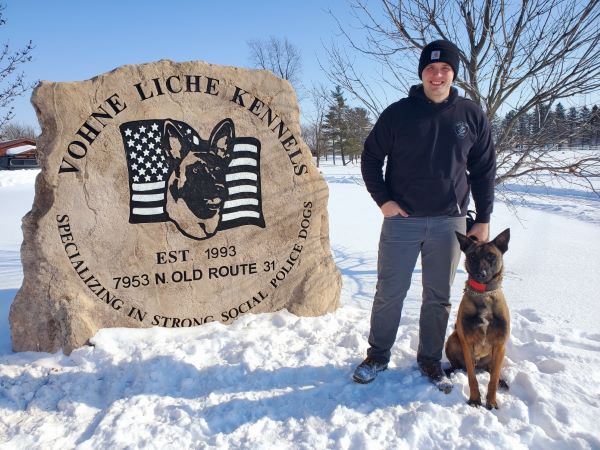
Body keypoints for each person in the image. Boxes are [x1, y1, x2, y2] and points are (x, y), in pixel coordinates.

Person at [353, 39, 496, 384]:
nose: (437, 75)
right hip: (402, 222)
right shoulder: (398, 113)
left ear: (453, 74)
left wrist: (484, 218)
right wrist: (384, 201)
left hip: (451, 223)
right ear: (422, 73)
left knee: (439, 297)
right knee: (390, 292)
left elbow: (484, 170)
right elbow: (371, 158)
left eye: (445, 68)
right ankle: (377, 355)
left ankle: (430, 359)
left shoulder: (470, 115)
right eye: (431, 68)